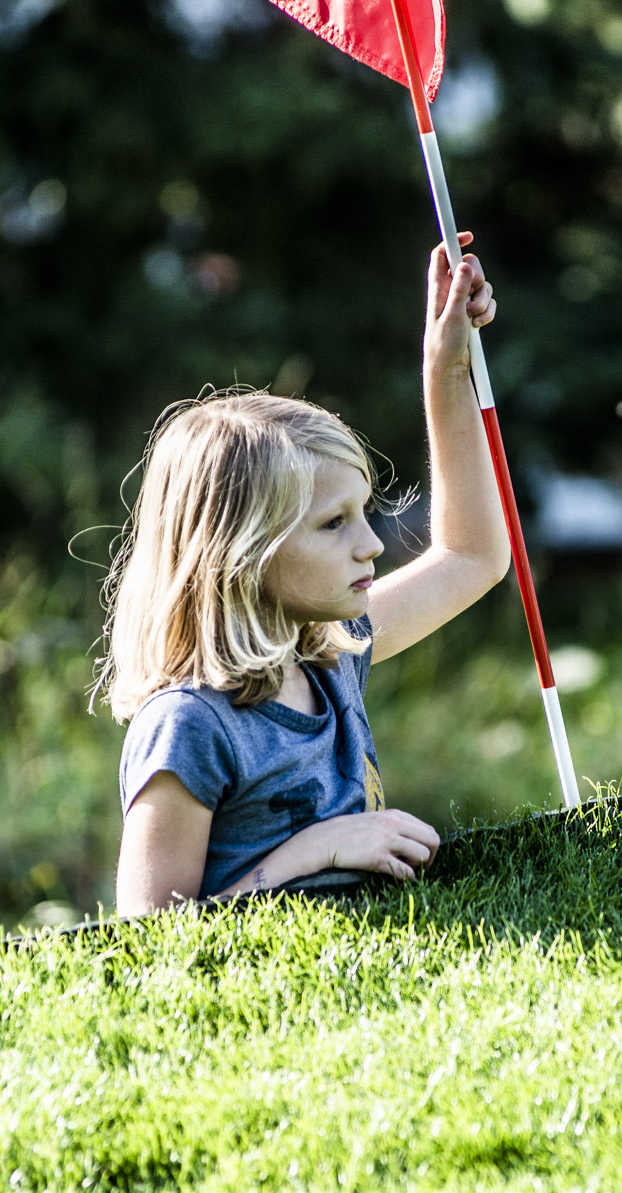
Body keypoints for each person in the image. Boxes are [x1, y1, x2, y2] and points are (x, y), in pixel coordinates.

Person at [98, 234, 510, 916]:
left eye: (361, 513)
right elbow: (146, 939)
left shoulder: (330, 650)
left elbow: (473, 558)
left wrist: (446, 370)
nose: (372, 544)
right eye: (333, 523)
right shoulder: (190, 726)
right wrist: (316, 849)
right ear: (240, 552)